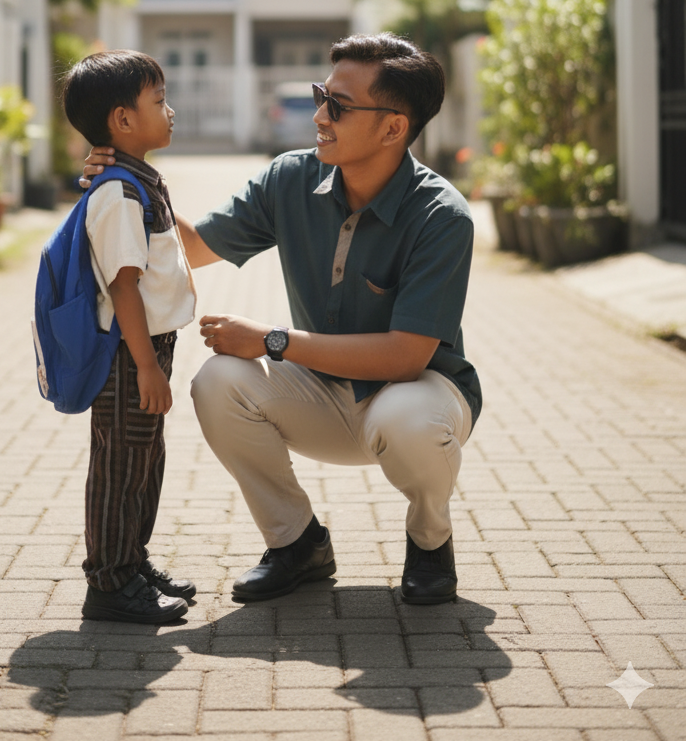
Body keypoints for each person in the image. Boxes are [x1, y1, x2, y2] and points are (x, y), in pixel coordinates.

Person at [82, 33, 481, 606]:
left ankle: (429, 542)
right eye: (324, 95)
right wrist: (126, 179)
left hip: (417, 394)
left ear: (395, 127)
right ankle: (297, 544)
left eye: (338, 106)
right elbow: (189, 248)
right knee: (217, 382)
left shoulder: (442, 216)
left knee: (407, 420)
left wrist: (271, 341)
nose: (319, 115)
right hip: (325, 394)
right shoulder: (290, 179)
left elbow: (405, 356)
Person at [63, 49, 197, 624]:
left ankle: (132, 560)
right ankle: (110, 583)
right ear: (122, 120)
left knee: (144, 458)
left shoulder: (139, 181)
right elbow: (123, 290)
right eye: (159, 101)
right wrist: (146, 366)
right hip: (127, 352)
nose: (171, 110)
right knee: (120, 464)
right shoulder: (118, 194)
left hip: (147, 348)